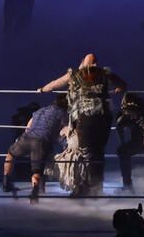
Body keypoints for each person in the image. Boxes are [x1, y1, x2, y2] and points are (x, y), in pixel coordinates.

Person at [38, 54, 128, 197]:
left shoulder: (74, 74)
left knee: (84, 152)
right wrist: (118, 89)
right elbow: (123, 84)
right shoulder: (105, 73)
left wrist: (42, 89)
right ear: (96, 64)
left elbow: (55, 84)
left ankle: (84, 188)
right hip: (104, 117)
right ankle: (97, 188)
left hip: (86, 117)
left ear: (82, 63)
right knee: (98, 152)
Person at [2, 95, 69, 202]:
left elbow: (28, 126)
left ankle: (6, 182)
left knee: (10, 154)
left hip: (27, 137)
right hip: (41, 141)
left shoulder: (41, 110)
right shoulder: (62, 113)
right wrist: (65, 145)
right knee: (37, 170)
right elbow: (65, 131)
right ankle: (35, 192)